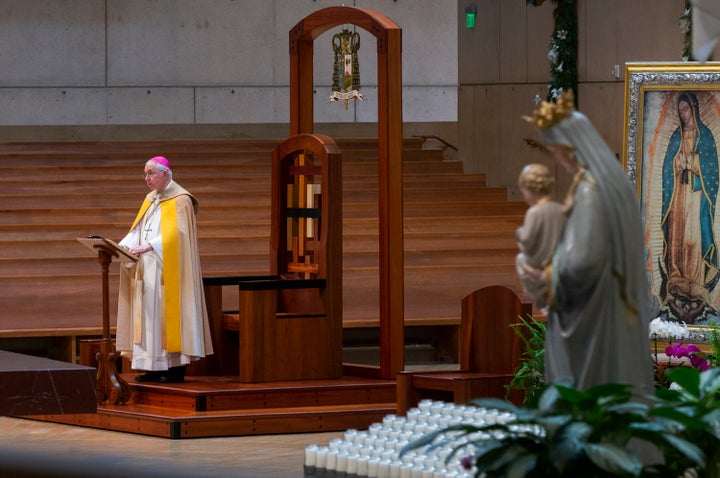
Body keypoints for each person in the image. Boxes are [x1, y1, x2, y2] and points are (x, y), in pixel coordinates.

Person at [523, 91, 653, 393]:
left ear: (570, 147)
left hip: (596, 314)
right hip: (612, 306)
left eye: (555, 150)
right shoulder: (608, 183)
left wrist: (547, 276)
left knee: (592, 397)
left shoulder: (590, 191)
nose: (555, 157)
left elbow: (584, 261)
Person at [116, 156, 213, 383]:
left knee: (168, 317)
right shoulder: (151, 200)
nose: (146, 179)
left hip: (169, 270)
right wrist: (123, 245)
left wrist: (151, 245)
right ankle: (153, 367)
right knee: (149, 319)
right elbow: (138, 229)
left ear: (166, 174)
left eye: (150, 173)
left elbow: (180, 234)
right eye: (145, 174)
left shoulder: (181, 200)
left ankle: (174, 368)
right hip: (146, 268)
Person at [660, 91, 720, 324]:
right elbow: (668, 166)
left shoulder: (705, 138)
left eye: (686, 110)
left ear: (693, 110)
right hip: (678, 195)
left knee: (693, 238)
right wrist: (678, 164)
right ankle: (676, 280)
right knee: (677, 237)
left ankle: (695, 283)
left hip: (696, 195)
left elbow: (713, 171)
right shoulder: (676, 136)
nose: (683, 115)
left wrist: (693, 163)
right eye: (680, 110)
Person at [515, 163, 566, 311]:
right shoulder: (561, 209)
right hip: (558, 264)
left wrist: (519, 232)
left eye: (523, 191)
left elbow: (527, 241)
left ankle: (540, 293)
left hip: (540, 263)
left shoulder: (534, 212)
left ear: (530, 190)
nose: (524, 195)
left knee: (521, 259)